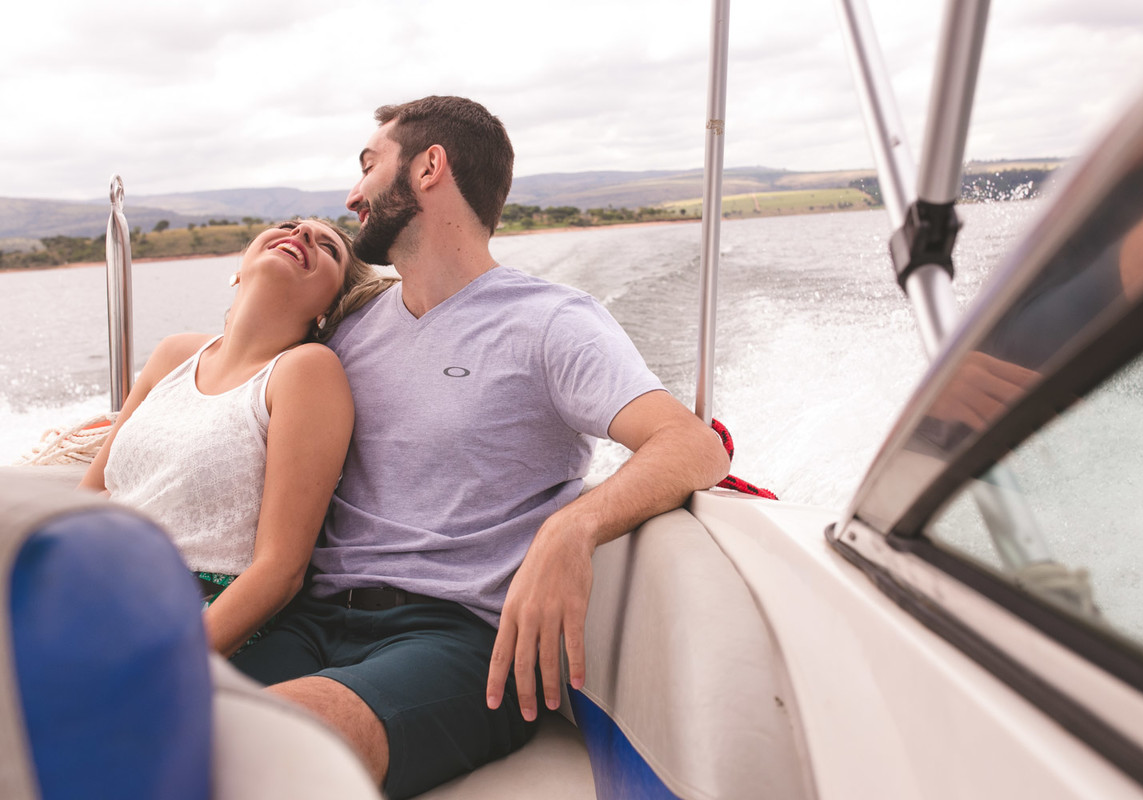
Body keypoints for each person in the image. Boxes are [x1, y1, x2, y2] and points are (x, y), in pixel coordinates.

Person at [229, 96, 731, 798]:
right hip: (312, 620)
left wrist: (573, 527)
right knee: (130, 722)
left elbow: (690, 443)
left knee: (256, 744)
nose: (352, 195)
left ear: (430, 167)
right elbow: (241, 373)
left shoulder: (551, 323)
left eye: (369, 167)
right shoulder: (351, 326)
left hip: (457, 643)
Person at [80, 218, 396, 657]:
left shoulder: (306, 371)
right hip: (91, 576)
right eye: (289, 226)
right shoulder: (173, 353)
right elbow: (94, 489)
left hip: (187, 610)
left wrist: (170, 664)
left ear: (329, 306)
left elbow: (280, 570)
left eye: (328, 248)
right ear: (241, 264)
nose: (302, 235)